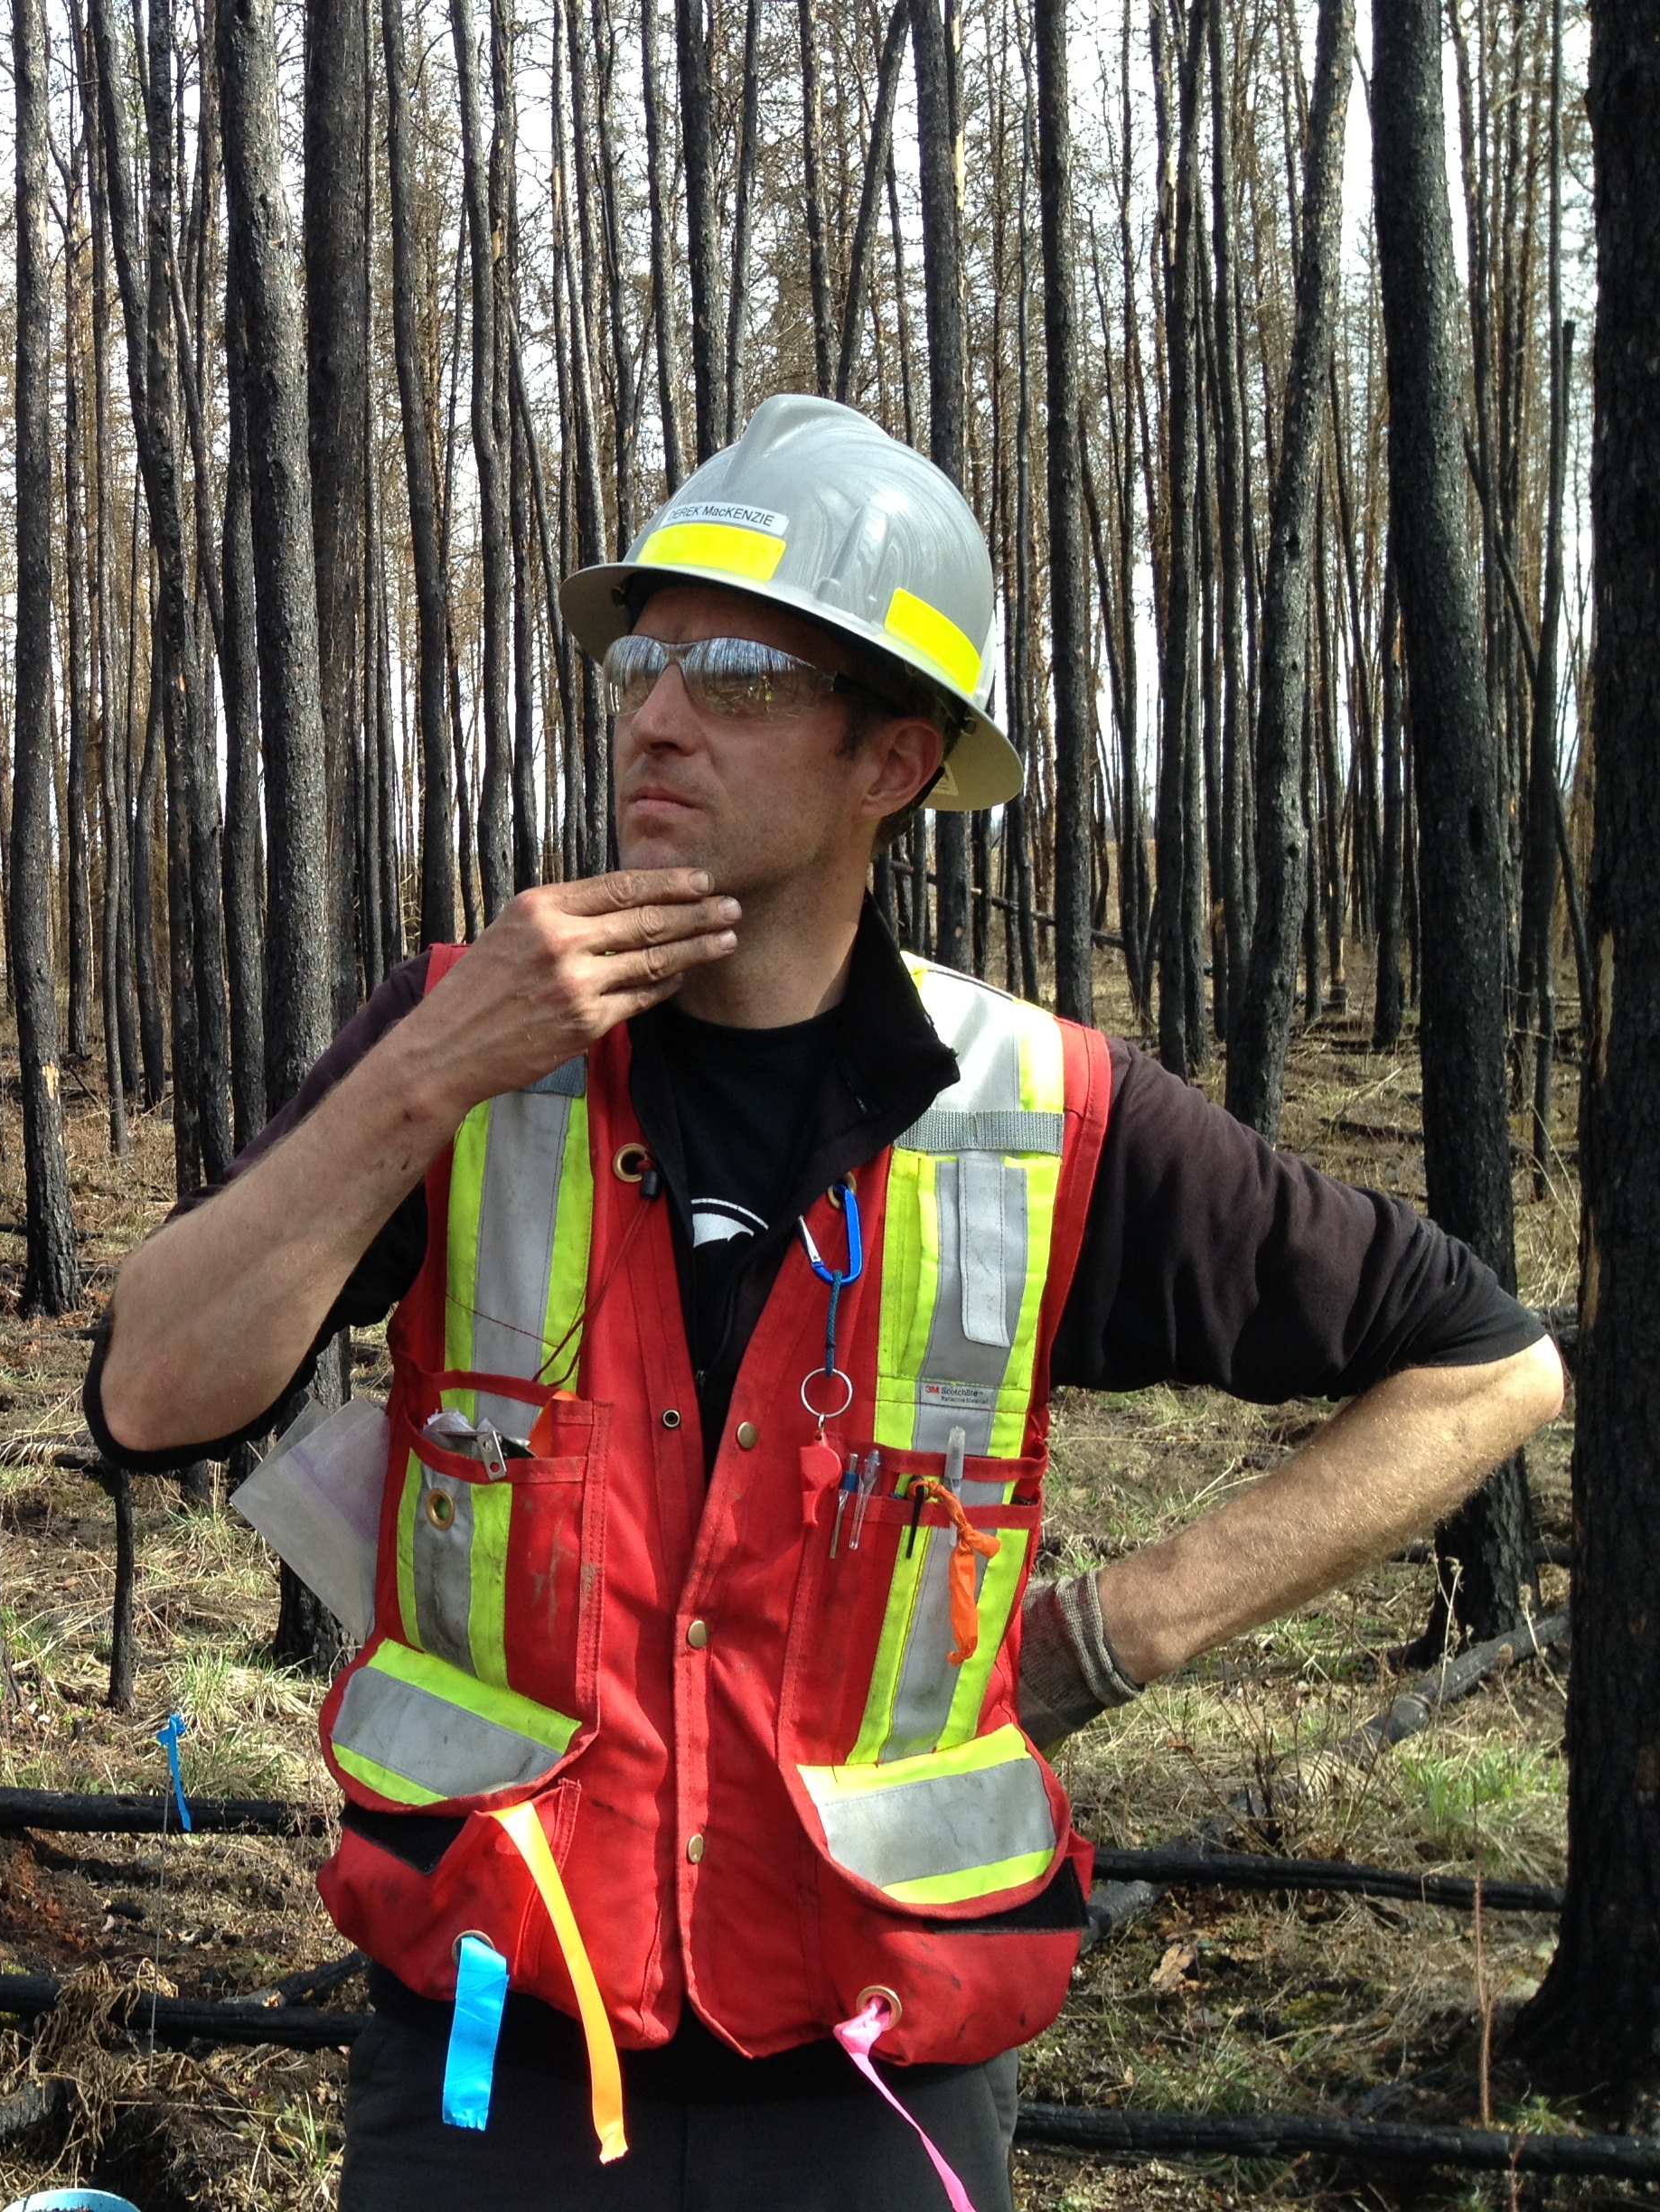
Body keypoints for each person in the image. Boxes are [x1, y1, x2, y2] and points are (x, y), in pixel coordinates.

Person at [88, 393, 1562, 2210]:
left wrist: (1121, 1631)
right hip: (491, 2045)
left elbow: (1486, 1365)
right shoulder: (470, 1038)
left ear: (894, 757)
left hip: (871, 2079)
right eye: (639, 661)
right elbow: (150, 1392)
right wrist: (424, 1074)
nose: (653, 715)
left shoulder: (1040, 1111)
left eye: (736, 676)